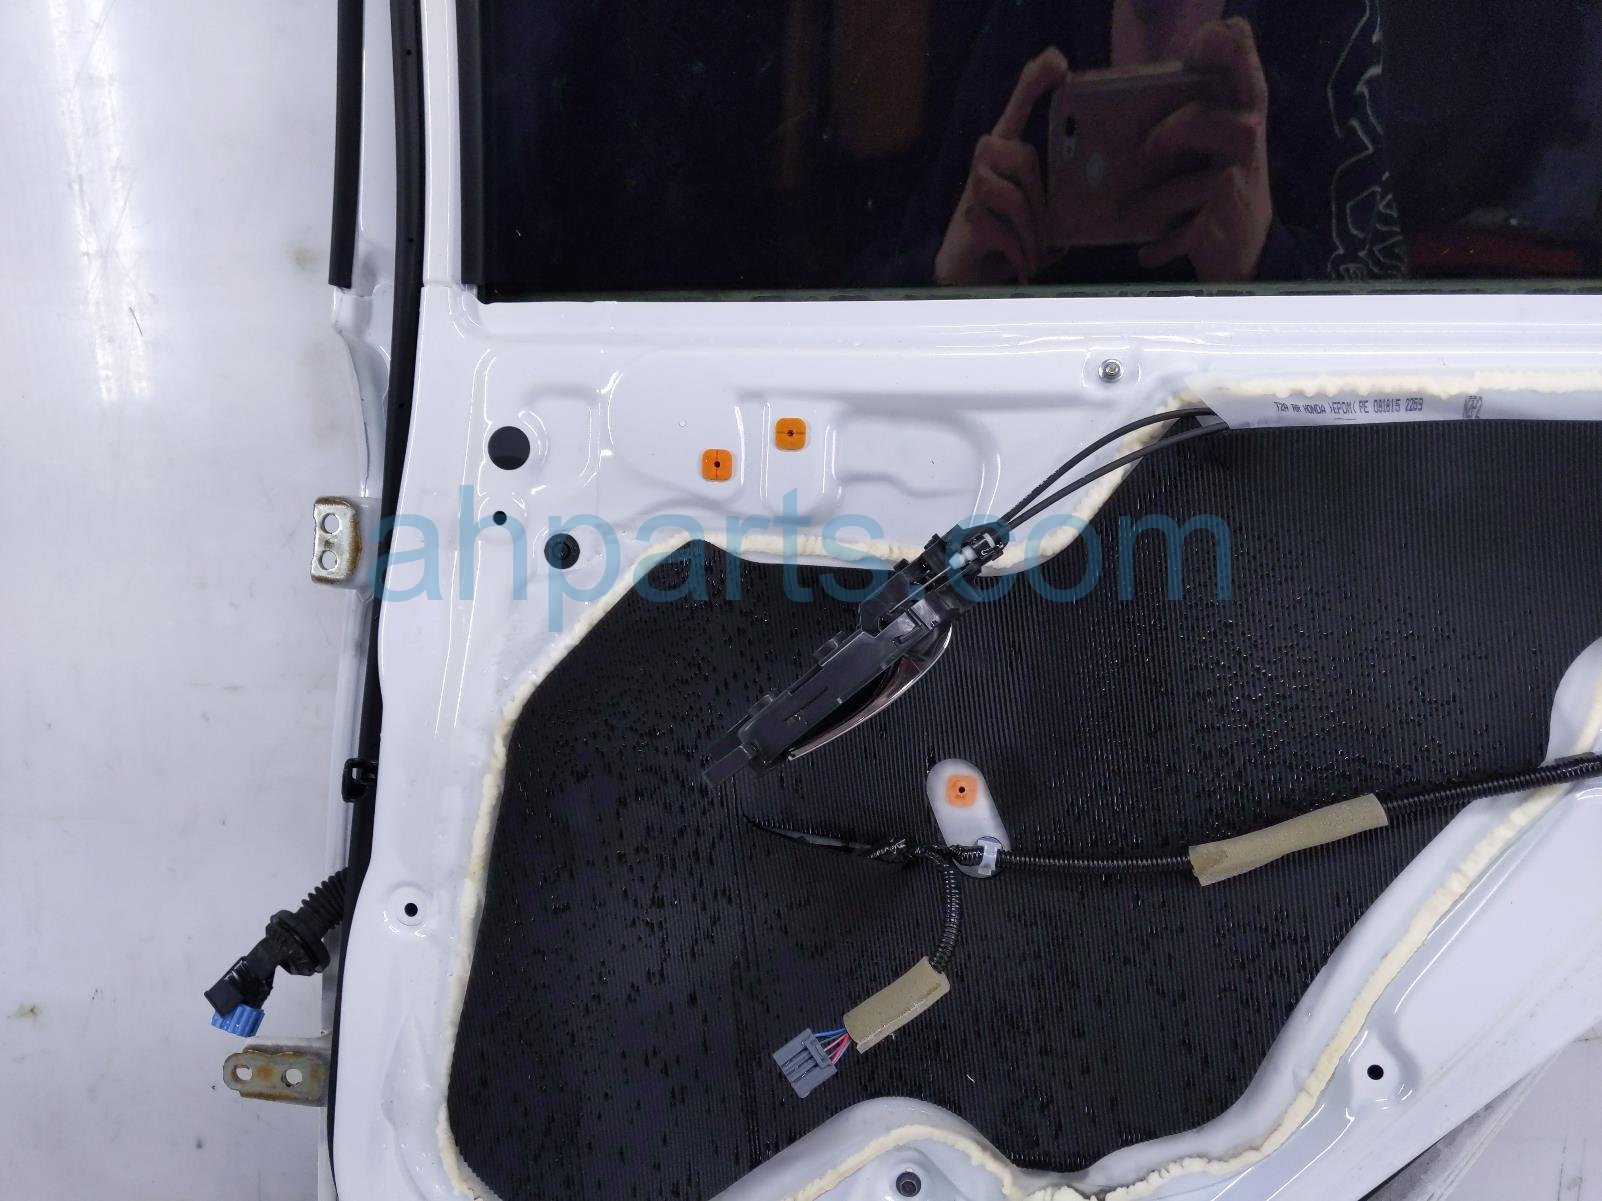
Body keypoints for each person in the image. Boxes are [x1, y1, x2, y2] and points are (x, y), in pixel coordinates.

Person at [861, 0, 1406, 286]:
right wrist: (949, 275)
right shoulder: (1027, 17)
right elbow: (878, 278)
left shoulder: (1328, 19)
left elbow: (1382, 337)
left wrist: (1262, 265)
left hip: (1238, 441)